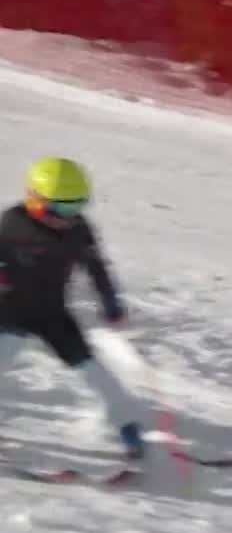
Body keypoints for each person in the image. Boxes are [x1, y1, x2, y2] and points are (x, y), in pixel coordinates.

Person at [0, 157, 148, 461]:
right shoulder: (11, 224)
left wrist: (110, 301)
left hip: (53, 314)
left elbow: (96, 268)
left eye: (78, 207)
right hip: (9, 312)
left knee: (95, 372)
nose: (70, 216)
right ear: (36, 201)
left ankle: (127, 427)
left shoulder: (79, 230)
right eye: (63, 209)